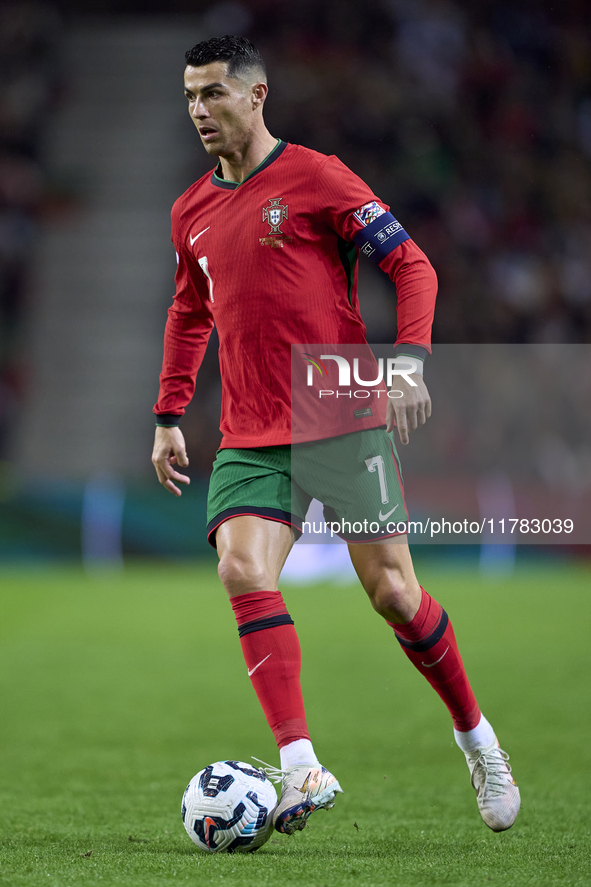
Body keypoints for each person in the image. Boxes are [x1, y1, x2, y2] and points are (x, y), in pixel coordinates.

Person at [152, 35, 520, 836]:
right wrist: (169, 413)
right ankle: (298, 766)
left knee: (392, 592)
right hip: (249, 426)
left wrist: (410, 364)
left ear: (256, 96)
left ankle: (475, 735)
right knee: (241, 567)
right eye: (189, 96)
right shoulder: (190, 211)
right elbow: (188, 313)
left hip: (337, 407)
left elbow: (411, 265)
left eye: (213, 94)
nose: (198, 111)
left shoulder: (318, 176)